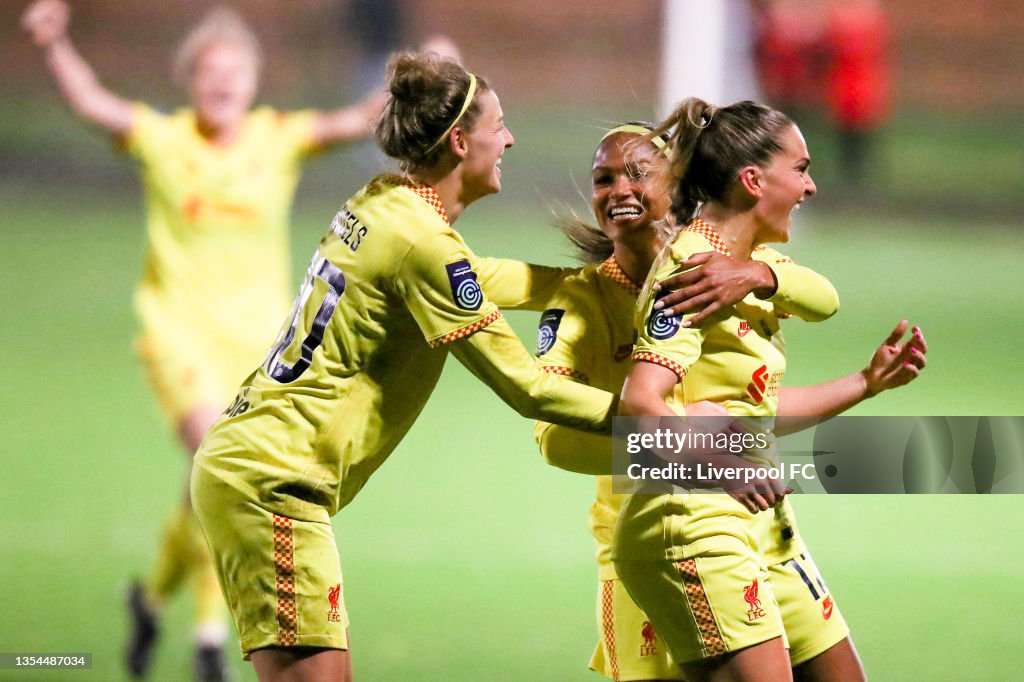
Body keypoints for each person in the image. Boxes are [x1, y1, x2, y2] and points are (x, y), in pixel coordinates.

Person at [189, 51, 623, 682]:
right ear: (458, 141)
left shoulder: (386, 201)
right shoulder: (423, 242)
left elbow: (467, 277)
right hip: (273, 484)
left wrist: (584, 283)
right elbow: (530, 389)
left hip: (252, 462)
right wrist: (676, 431)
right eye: (498, 126)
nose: (509, 138)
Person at [21, 2, 389, 679]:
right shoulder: (164, 140)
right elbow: (93, 104)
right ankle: (210, 636)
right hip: (178, 335)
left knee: (209, 481)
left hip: (256, 348)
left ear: (252, 82)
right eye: (211, 73)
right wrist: (54, 45)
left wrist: (421, 79)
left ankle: (151, 595)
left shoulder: (277, 138)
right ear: (190, 80)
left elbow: (358, 118)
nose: (222, 84)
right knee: (213, 461)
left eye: (235, 73)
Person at [605, 100, 926, 682]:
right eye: (800, 169)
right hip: (696, 521)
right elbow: (641, 404)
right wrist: (725, 469)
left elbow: (822, 303)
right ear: (753, 180)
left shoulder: (749, 264)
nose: (811, 186)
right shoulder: (691, 273)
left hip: (765, 523)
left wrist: (864, 383)